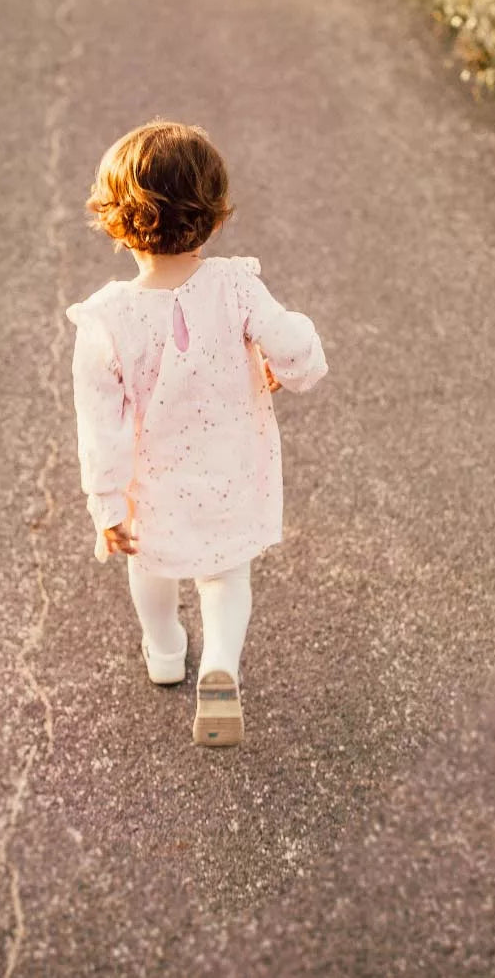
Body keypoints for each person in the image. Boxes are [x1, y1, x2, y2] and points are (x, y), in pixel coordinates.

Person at [65, 120, 327, 747]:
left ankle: (163, 651)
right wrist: (290, 368)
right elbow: (292, 344)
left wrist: (105, 504)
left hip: (151, 484)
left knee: (149, 565)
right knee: (225, 576)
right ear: (213, 217)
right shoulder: (236, 286)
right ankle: (220, 666)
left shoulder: (106, 320)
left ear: (115, 219)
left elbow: (98, 424)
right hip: (231, 469)